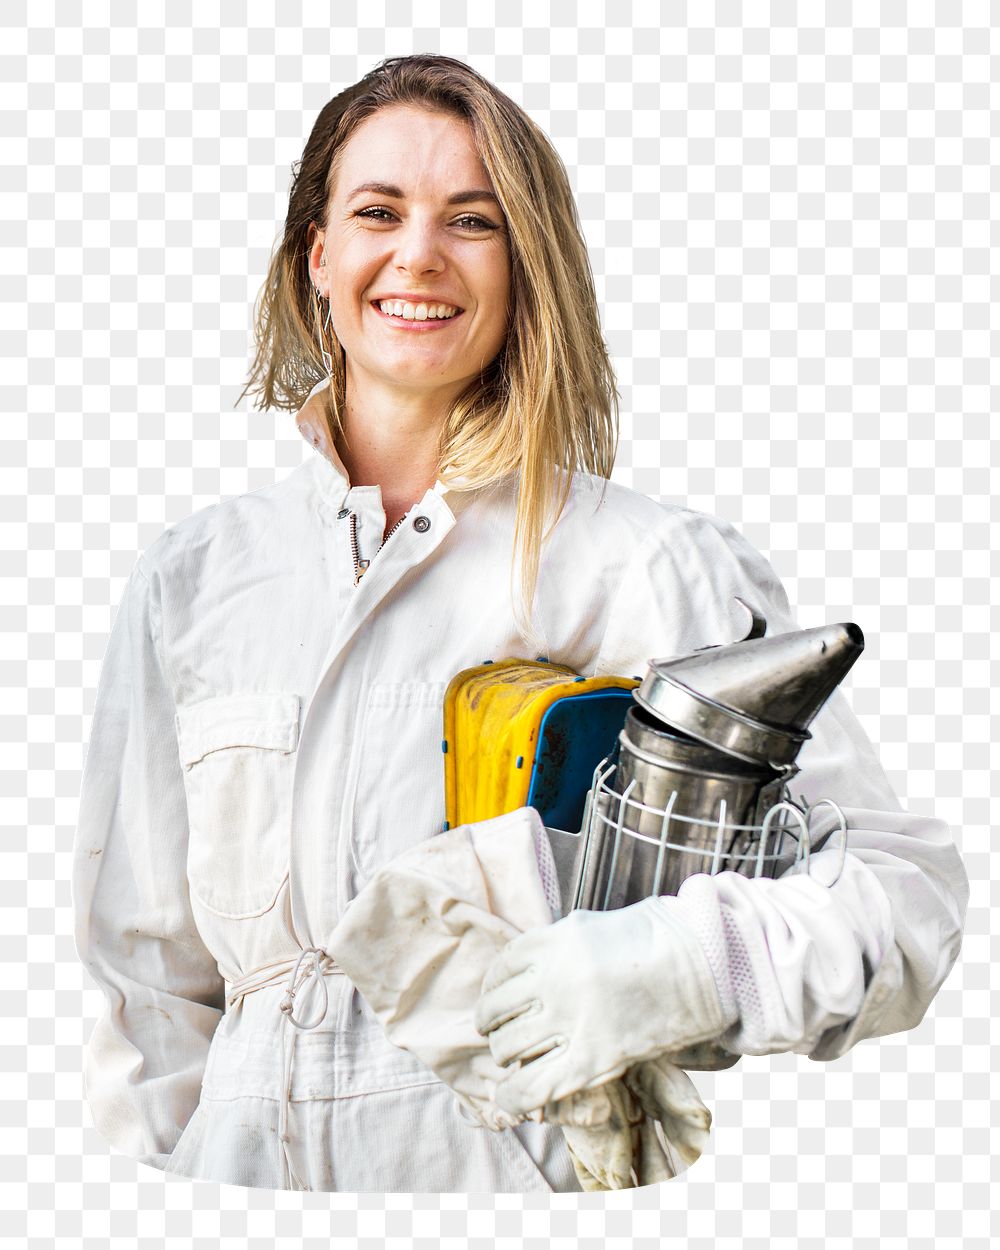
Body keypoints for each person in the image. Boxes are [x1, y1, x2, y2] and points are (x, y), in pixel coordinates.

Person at [72, 54, 969, 1193]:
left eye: (473, 221)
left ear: (526, 263)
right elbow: (143, 976)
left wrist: (686, 967)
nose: (418, 255)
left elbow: (903, 896)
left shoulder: (643, 564)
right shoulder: (195, 579)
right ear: (318, 257)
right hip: (244, 1185)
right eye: (378, 213)